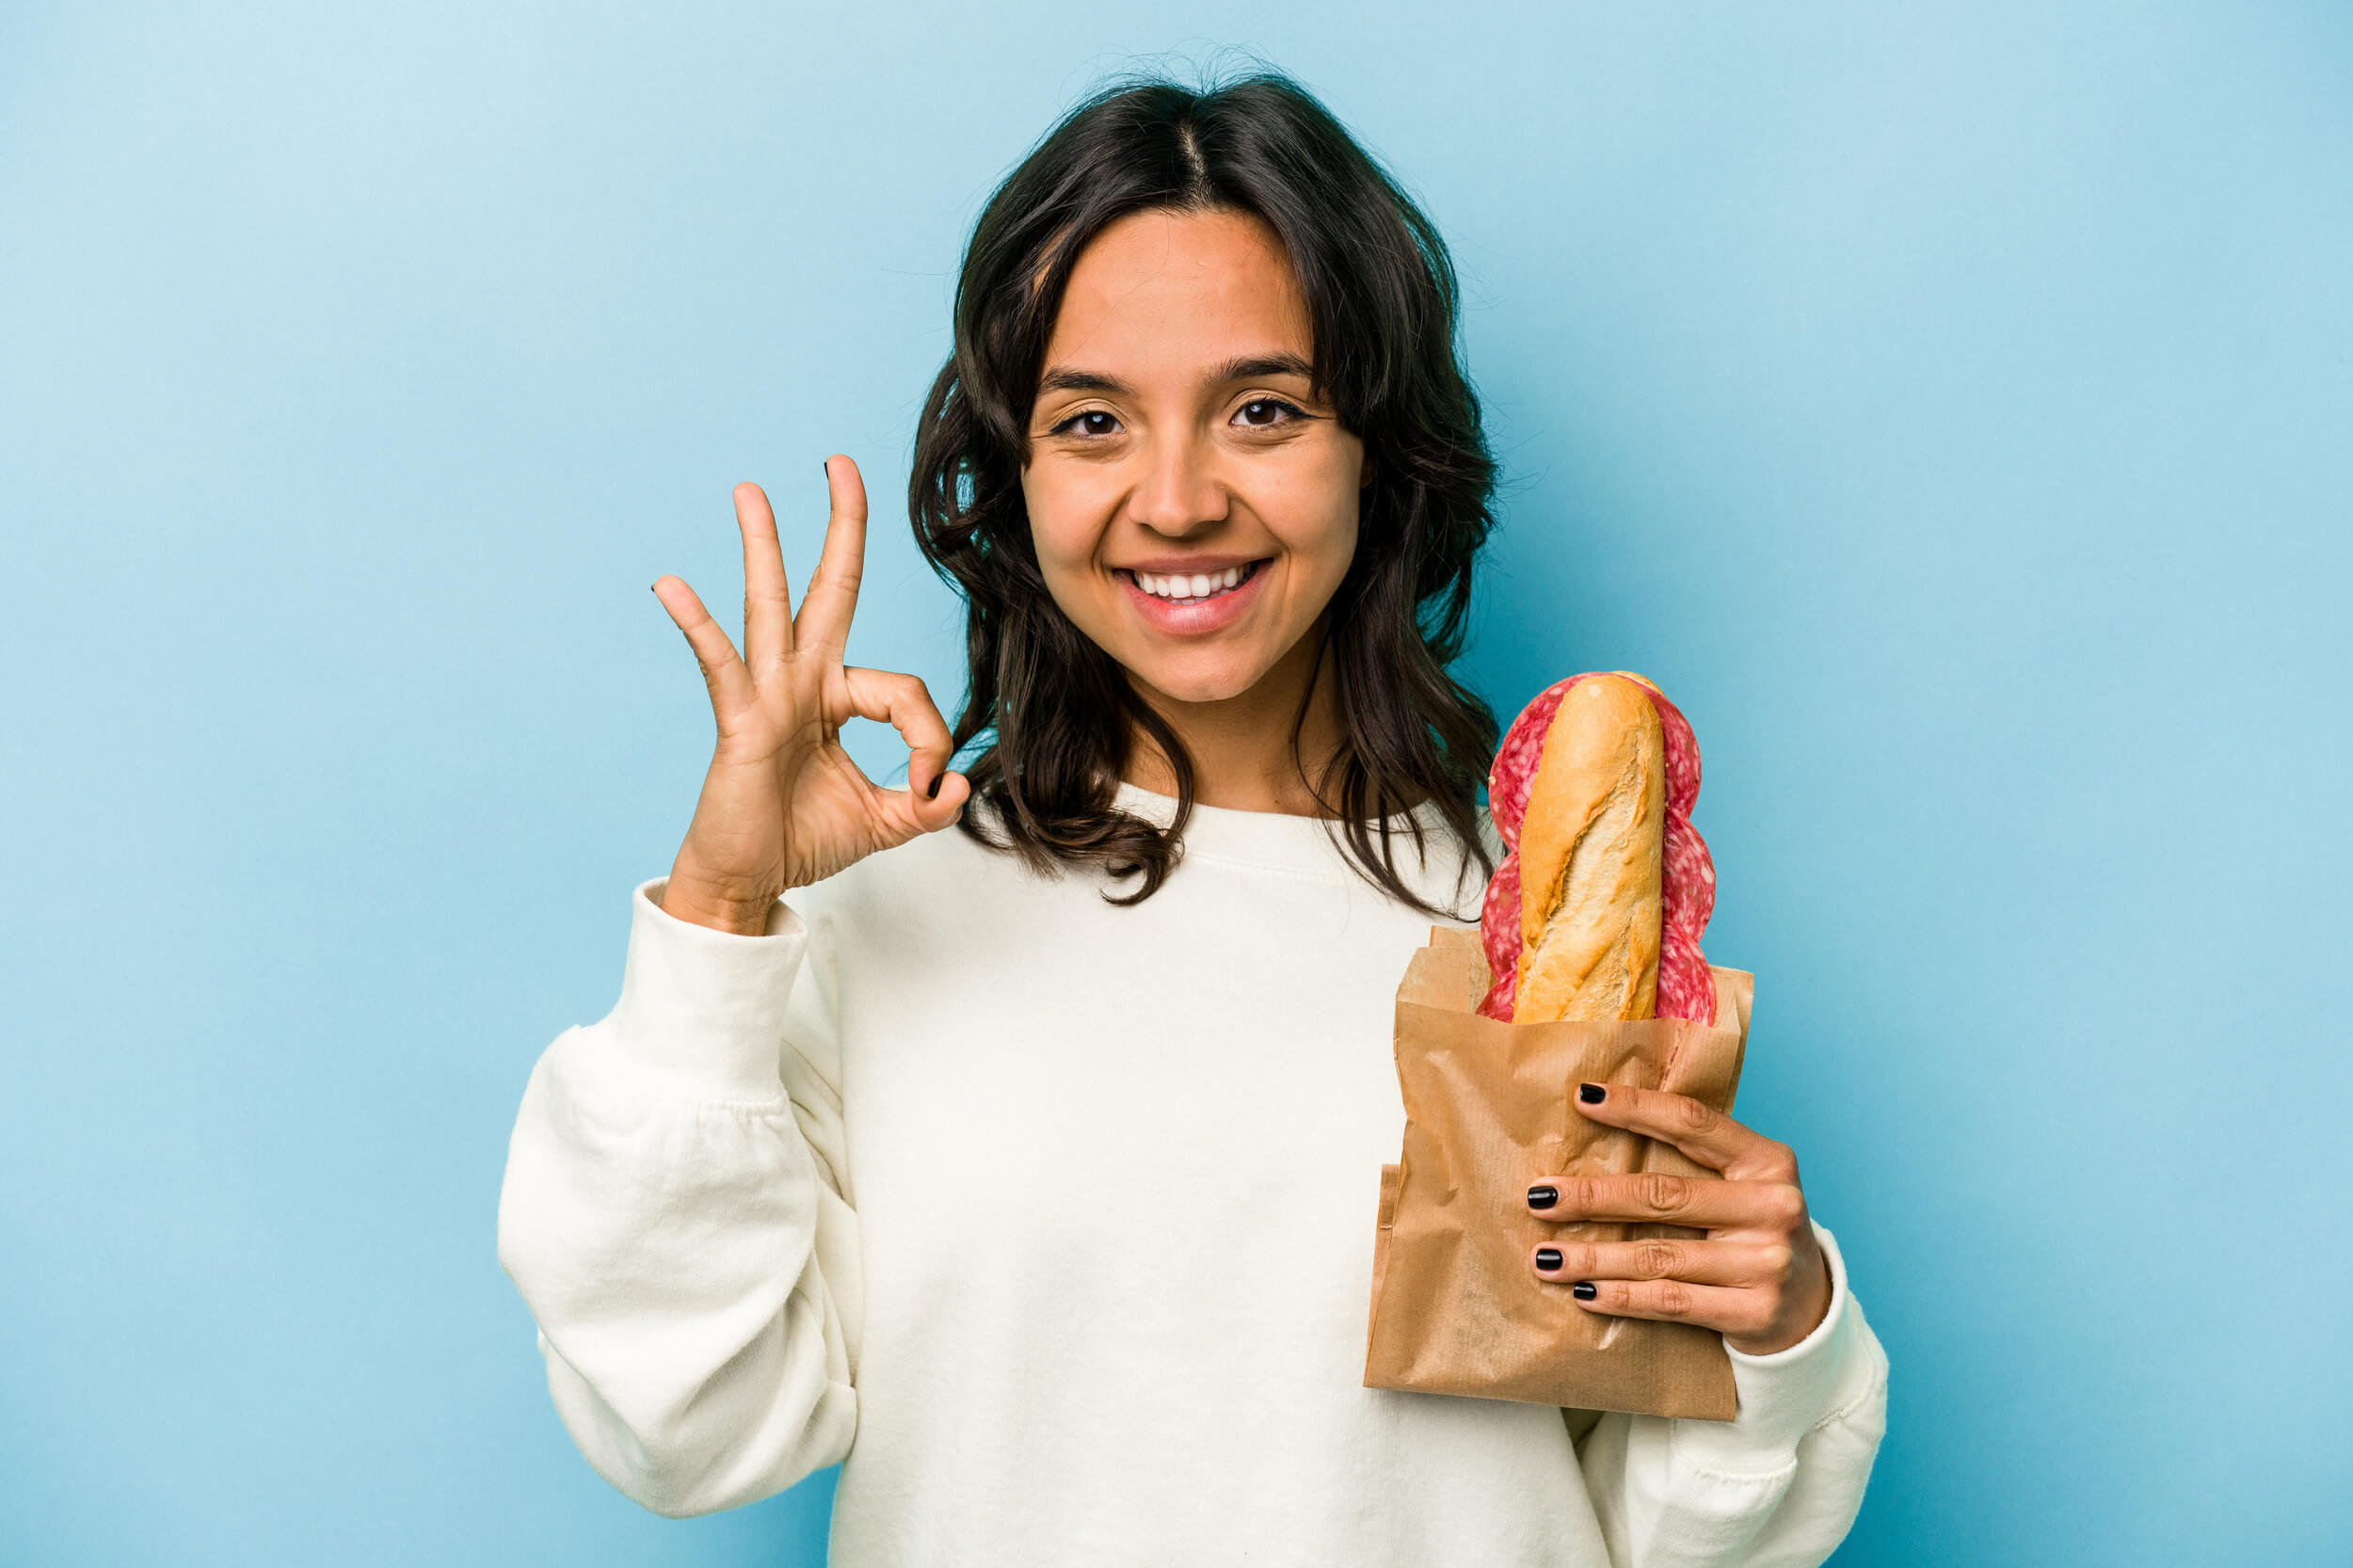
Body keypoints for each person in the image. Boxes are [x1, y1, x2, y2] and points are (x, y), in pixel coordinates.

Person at [497, 71, 1888, 1566]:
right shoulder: (874, 921)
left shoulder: (1538, 930)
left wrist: (1778, 1326)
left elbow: (1665, 1532)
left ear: (1379, 446)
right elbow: (691, 1426)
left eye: (1263, 410)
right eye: (1092, 420)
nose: (1175, 499)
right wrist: (718, 910)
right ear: (1013, 472)